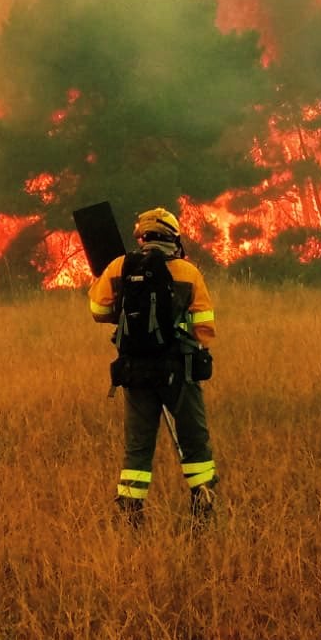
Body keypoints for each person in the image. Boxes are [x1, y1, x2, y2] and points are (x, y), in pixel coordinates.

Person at [88, 207, 219, 524]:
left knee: (138, 445)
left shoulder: (120, 266)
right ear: (173, 237)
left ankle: (130, 512)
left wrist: (124, 311)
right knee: (193, 439)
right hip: (178, 370)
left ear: (143, 237)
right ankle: (203, 503)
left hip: (135, 371)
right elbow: (205, 328)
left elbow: (96, 308)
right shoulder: (188, 273)